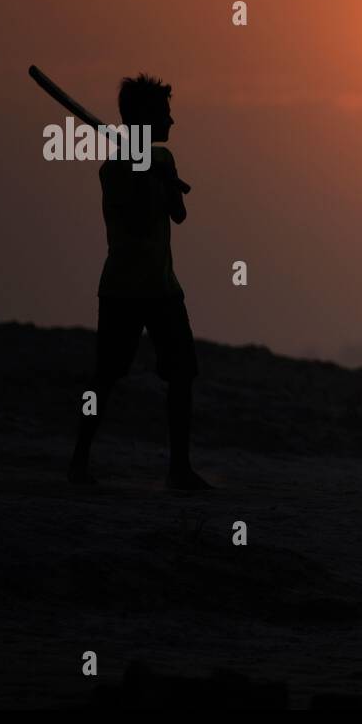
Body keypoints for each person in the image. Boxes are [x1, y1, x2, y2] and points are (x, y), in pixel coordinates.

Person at [68, 73, 210, 490]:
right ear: (145, 119)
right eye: (165, 113)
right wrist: (139, 173)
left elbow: (179, 215)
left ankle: (179, 469)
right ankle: (79, 461)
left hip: (164, 286)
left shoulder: (164, 160)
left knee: (182, 373)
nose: (172, 121)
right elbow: (127, 219)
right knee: (106, 377)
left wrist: (162, 182)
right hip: (123, 290)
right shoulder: (113, 170)